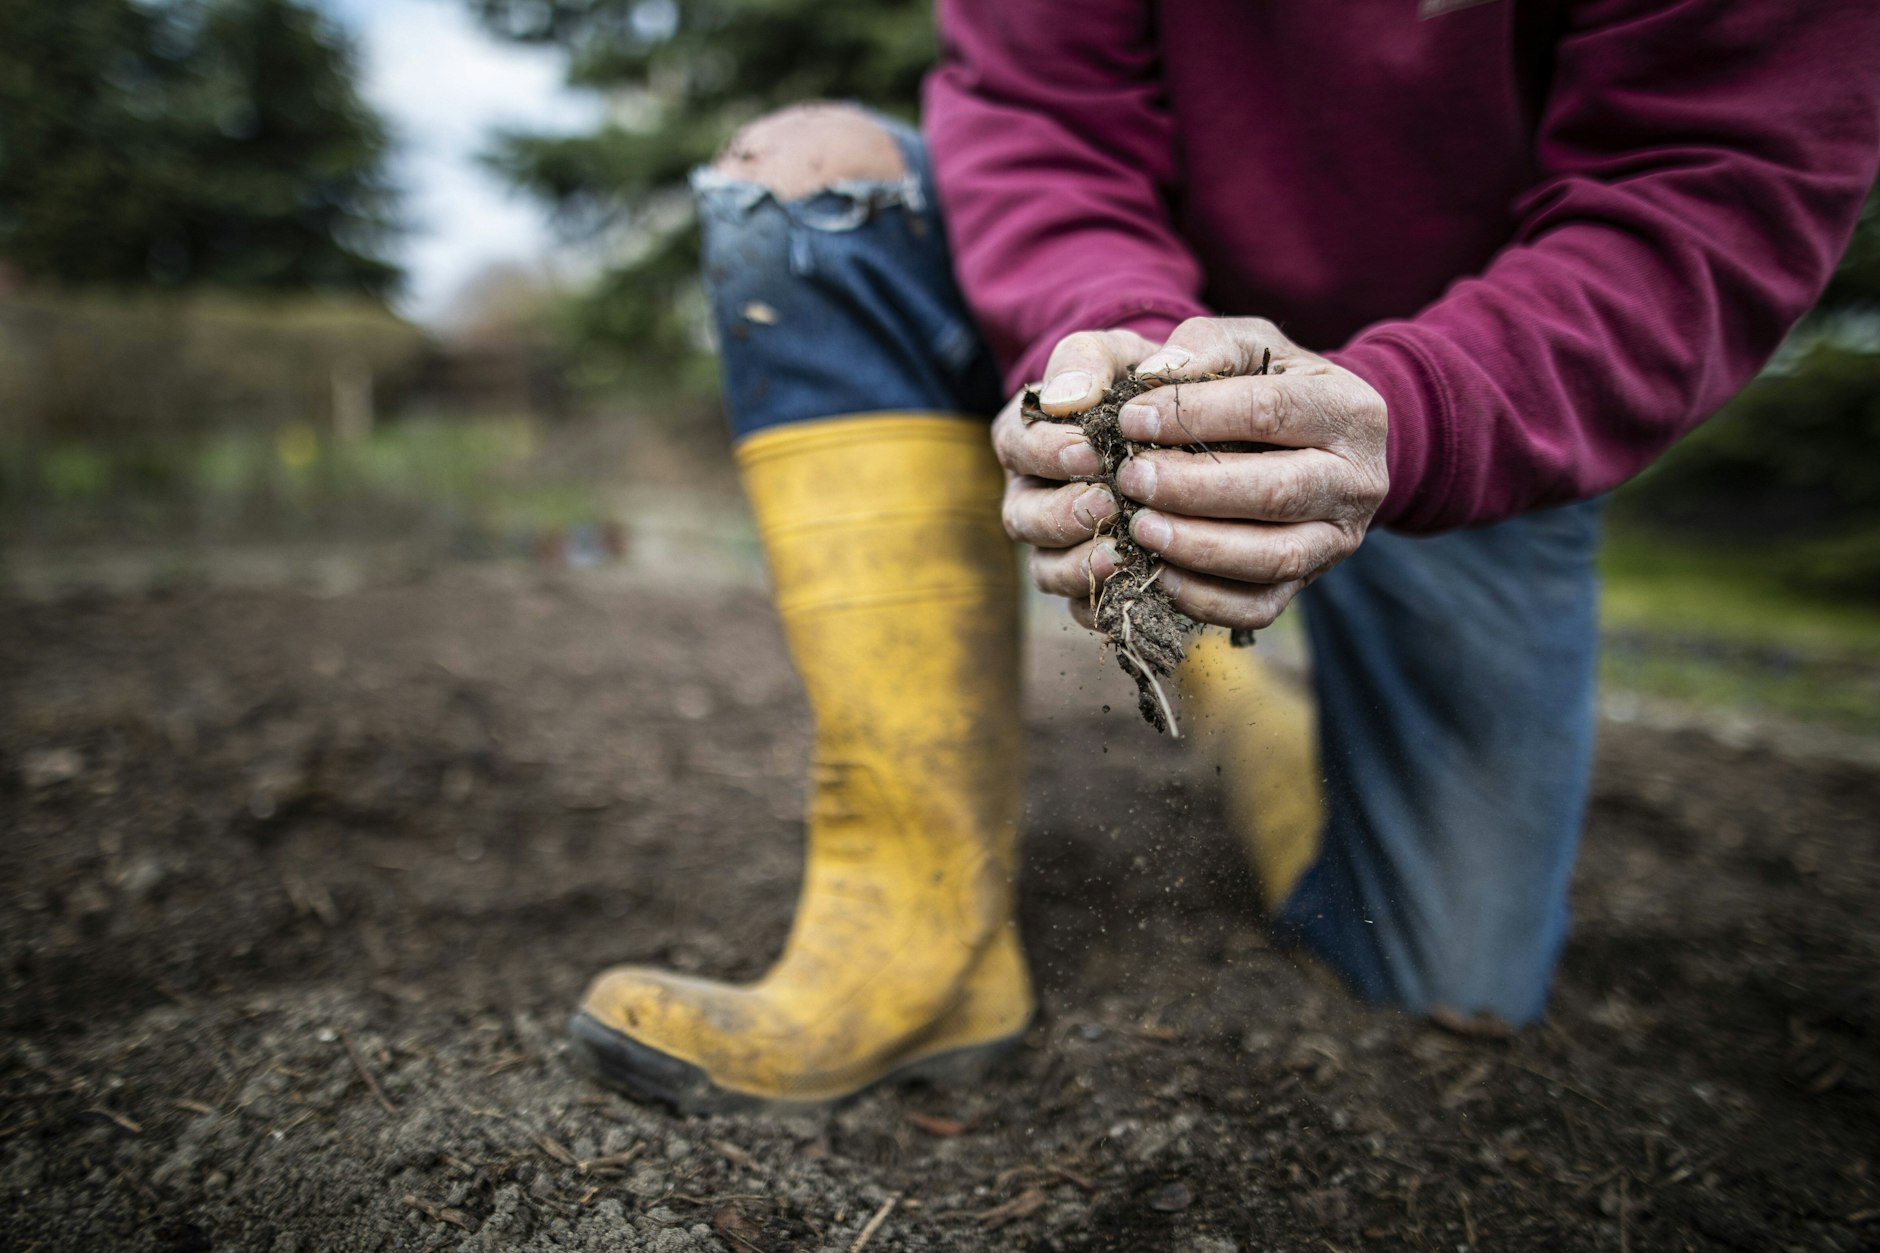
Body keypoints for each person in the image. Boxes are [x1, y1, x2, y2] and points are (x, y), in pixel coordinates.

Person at [567, 0, 1880, 1111]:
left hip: (1477, 378)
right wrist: (1107, 342)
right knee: (811, 179)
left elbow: (1711, 171)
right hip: (1148, 298)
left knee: (1450, 976)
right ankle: (914, 937)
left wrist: (1425, 412)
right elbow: (1040, 113)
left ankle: (1253, 724)